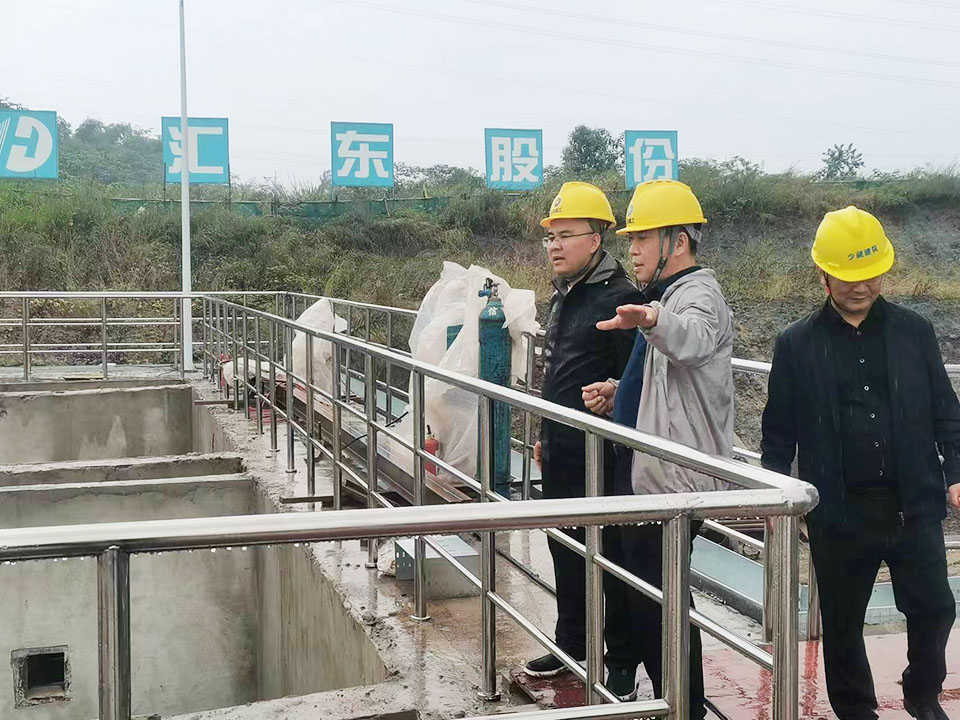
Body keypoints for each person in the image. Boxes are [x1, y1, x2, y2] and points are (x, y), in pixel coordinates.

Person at [761, 205, 960, 720]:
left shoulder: (914, 331)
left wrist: (957, 474)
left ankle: (922, 694)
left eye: (871, 274)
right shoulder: (796, 344)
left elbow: (946, 411)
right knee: (843, 622)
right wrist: (776, 496)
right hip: (839, 508)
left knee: (936, 608)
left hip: (912, 503)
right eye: (849, 276)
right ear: (824, 274)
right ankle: (856, 711)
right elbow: (778, 431)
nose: (862, 286)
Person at [590, 180, 735, 713]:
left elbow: (692, 340)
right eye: (632, 239)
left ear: (678, 241)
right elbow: (665, 377)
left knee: (662, 606)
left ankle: (685, 707)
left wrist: (653, 319)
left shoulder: (697, 296)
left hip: (674, 480)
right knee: (648, 600)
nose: (632, 249)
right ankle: (674, 702)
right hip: (648, 473)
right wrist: (619, 391)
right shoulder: (668, 295)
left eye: (643, 238)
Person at [524, 181, 643, 688]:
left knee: (610, 555)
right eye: (550, 236)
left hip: (603, 456)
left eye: (565, 235)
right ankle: (571, 643)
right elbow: (555, 372)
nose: (554, 245)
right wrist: (543, 434)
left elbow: (635, 380)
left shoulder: (620, 300)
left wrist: (613, 391)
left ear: (595, 240)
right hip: (562, 449)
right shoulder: (564, 294)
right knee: (565, 547)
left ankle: (621, 664)